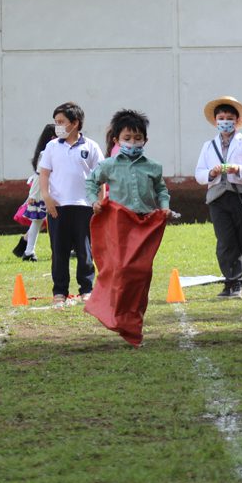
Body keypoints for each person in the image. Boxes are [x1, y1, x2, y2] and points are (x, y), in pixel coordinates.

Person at [83, 109, 171, 345]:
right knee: (121, 269)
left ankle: (133, 322)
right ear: (117, 140)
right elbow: (91, 182)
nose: (133, 143)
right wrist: (94, 201)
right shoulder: (109, 165)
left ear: (145, 140)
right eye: (127, 138)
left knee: (142, 273)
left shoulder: (153, 167)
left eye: (137, 138)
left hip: (146, 225)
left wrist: (164, 207)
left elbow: (162, 190)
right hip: (119, 225)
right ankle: (112, 312)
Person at [194, 96, 242, 299]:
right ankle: (229, 280)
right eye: (221, 118)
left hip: (239, 196)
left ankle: (237, 282)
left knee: (239, 239)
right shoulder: (208, 146)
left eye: (229, 118)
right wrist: (211, 173)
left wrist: (237, 168)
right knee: (224, 240)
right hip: (217, 197)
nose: (225, 121)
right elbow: (199, 173)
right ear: (215, 121)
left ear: (237, 120)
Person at [39, 102, 104, 307]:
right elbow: (44, 174)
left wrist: (99, 202)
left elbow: (99, 177)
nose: (57, 126)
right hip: (58, 207)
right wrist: (46, 197)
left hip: (84, 206)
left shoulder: (91, 146)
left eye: (61, 122)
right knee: (59, 251)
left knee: (85, 251)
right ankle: (60, 291)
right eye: (56, 122)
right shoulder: (51, 147)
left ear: (75, 123)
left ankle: (87, 289)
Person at [13, 124, 57, 263]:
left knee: (38, 223)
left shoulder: (49, 152)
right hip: (44, 193)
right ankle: (29, 251)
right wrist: (33, 195)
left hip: (47, 192)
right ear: (52, 138)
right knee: (38, 222)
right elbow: (39, 176)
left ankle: (29, 251)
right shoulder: (46, 154)